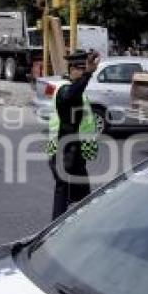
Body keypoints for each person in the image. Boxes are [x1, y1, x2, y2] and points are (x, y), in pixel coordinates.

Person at [46, 50, 100, 220]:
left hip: (76, 151)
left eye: (85, 68)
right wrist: (89, 73)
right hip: (64, 151)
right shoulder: (64, 89)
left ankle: (80, 223)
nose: (83, 71)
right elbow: (71, 94)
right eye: (81, 68)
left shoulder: (77, 90)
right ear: (72, 70)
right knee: (64, 190)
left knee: (81, 193)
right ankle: (55, 227)